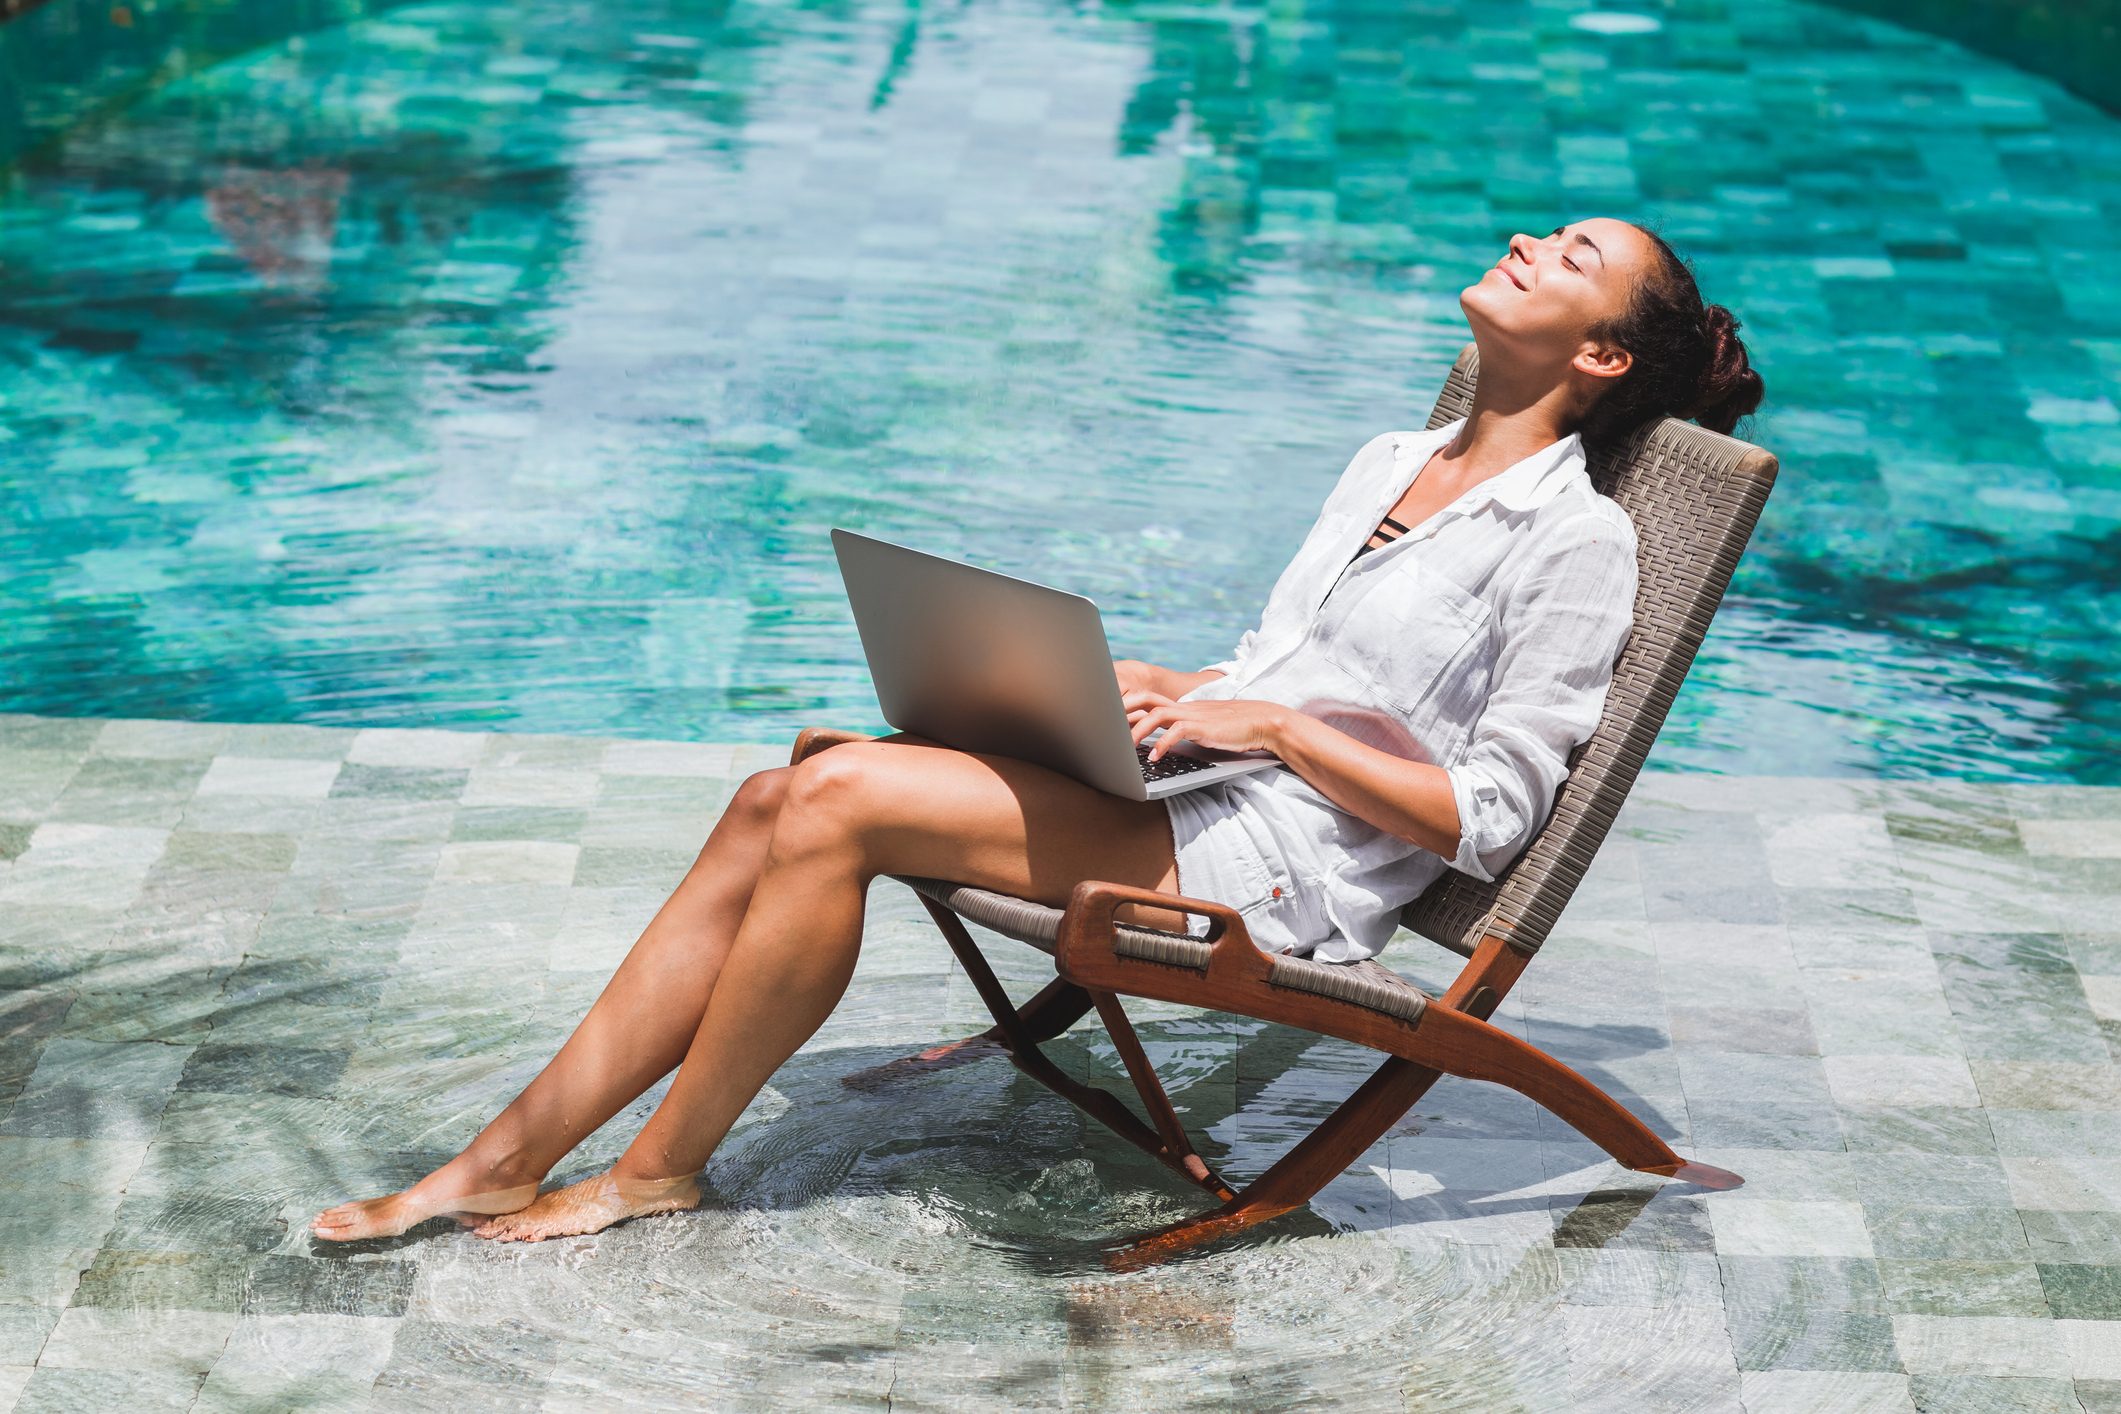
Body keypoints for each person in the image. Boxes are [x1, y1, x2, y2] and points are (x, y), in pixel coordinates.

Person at [312, 217, 1763, 1243]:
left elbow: (1488, 813)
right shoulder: (1396, 456)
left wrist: (1260, 720)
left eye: (1573, 260)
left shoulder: (1573, 541)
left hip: (1274, 871)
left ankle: (656, 1170)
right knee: (785, 786)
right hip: (1202, 781)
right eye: (1546, 232)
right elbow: (1289, 661)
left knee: (836, 807)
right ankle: (504, 1159)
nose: (1527, 244)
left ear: (1602, 361)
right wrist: (1170, 685)